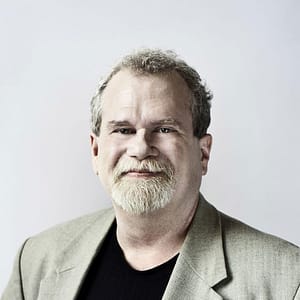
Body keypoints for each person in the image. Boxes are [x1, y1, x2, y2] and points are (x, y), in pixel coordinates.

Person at [2, 49, 299, 300]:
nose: (141, 148)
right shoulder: (35, 262)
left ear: (203, 153)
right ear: (95, 151)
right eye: (123, 130)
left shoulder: (286, 280)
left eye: (165, 129)